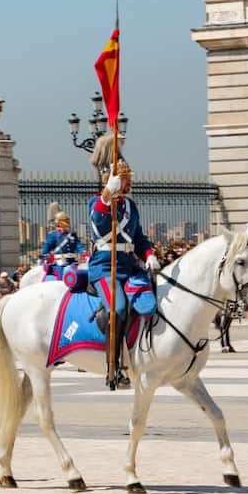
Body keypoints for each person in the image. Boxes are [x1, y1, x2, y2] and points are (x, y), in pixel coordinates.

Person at [88, 154, 157, 390]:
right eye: (124, 178)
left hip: (128, 265)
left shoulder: (130, 206)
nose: (129, 182)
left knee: (152, 297)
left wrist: (149, 255)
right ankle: (113, 367)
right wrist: (108, 193)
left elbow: (138, 237)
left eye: (128, 178)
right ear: (112, 179)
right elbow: (98, 220)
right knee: (117, 308)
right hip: (105, 268)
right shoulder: (97, 202)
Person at [41, 203, 85, 279]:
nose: (66, 224)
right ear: (58, 223)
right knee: (62, 279)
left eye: (67, 221)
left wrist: (84, 254)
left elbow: (79, 246)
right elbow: (45, 251)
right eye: (64, 222)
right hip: (60, 263)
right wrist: (50, 258)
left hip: (73, 262)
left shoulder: (72, 234)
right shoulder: (53, 235)